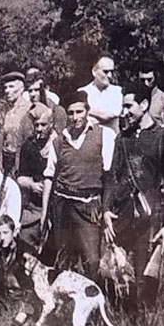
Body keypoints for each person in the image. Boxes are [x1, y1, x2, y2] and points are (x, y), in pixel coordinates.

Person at [103, 84, 164, 304]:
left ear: (145, 105)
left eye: (129, 106)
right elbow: (112, 177)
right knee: (118, 277)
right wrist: (106, 211)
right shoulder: (122, 139)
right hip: (123, 219)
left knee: (145, 282)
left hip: (151, 221)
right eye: (122, 107)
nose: (124, 113)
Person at [41, 90, 116, 277]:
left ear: (87, 111)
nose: (75, 118)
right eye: (71, 113)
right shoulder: (59, 141)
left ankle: (95, 301)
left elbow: (109, 176)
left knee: (92, 261)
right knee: (64, 259)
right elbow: (49, 177)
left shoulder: (103, 135)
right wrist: (45, 214)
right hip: (62, 206)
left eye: (79, 112)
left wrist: (106, 209)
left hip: (88, 206)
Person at [17, 103, 59, 252]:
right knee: (26, 243)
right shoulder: (29, 146)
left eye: (43, 124)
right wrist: (32, 185)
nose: (39, 129)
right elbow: (21, 177)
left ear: (52, 124)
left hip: (57, 205)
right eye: (36, 125)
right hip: (35, 206)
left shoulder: (60, 144)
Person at [0, 71, 33, 176]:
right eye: (5, 87)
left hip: (23, 162)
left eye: (11, 87)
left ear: (21, 89)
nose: (7, 91)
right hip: (7, 162)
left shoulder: (29, 109)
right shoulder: (8, 111)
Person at [79, 56, 123, 132]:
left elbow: (109, 115)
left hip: (111, 139)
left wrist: (88, 110)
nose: (110, 76)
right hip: (89, 139)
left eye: (111, 71)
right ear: (94, 71)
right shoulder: (82, 92)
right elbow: (80, 118)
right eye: (105, 71)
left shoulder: (118, 92)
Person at [138, 60, 164, 126]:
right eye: (142, 80)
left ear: (156, 78)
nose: (146, 83)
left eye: (149, 79)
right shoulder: (135, 98)